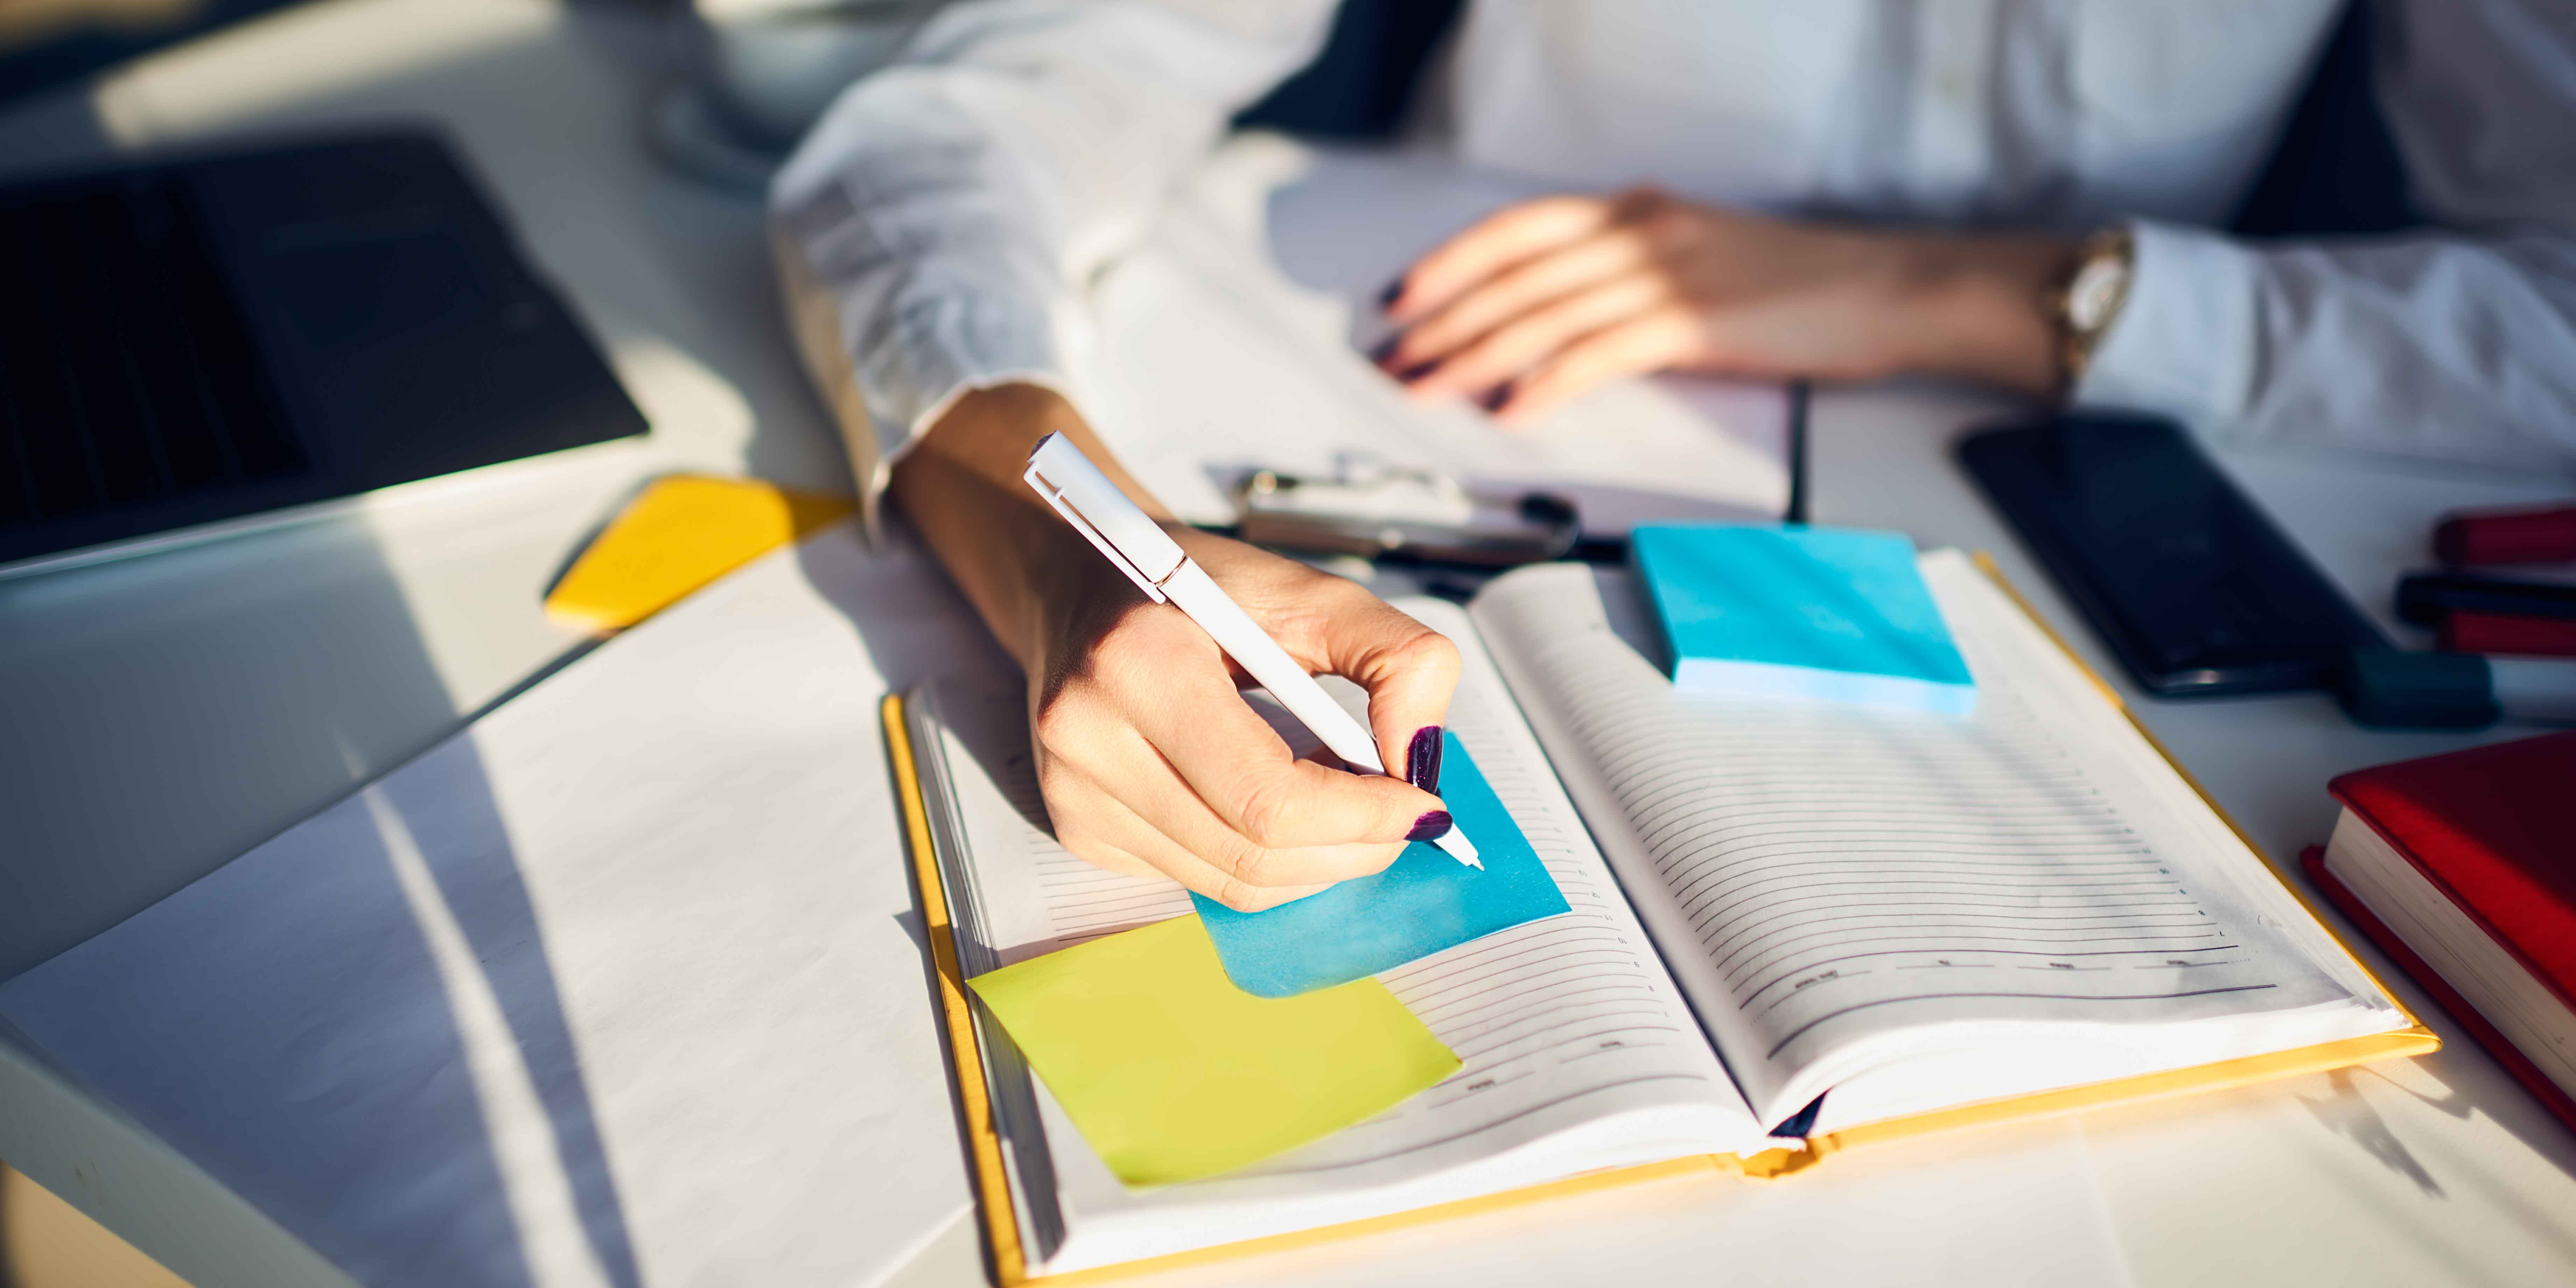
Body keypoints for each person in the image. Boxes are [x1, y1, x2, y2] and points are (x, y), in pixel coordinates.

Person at [768, 0, 2576, 908]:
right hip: (1420, 414)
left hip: (2110, 605)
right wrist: (1056, 531)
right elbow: (953, 132)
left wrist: (1992, 294)